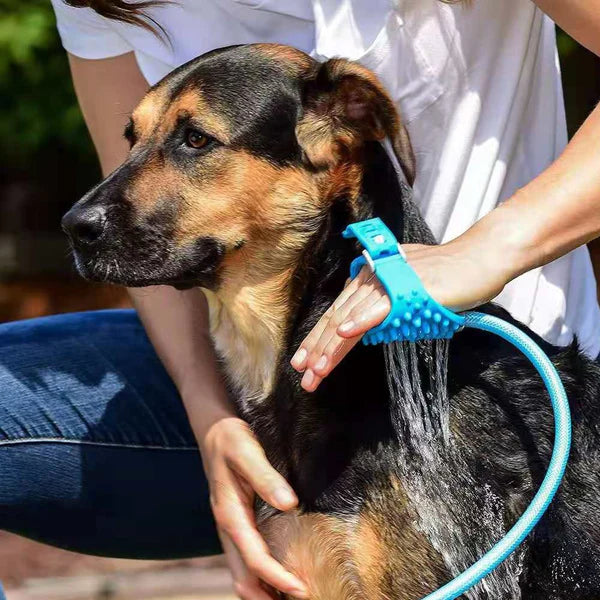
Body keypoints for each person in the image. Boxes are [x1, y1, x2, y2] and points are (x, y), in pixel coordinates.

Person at [1, 1, 599, 599]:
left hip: (483, 376)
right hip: (232, 381)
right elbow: (127, 182)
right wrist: (210, 418)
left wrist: (486, 251)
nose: (88, 212)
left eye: (194, 139)